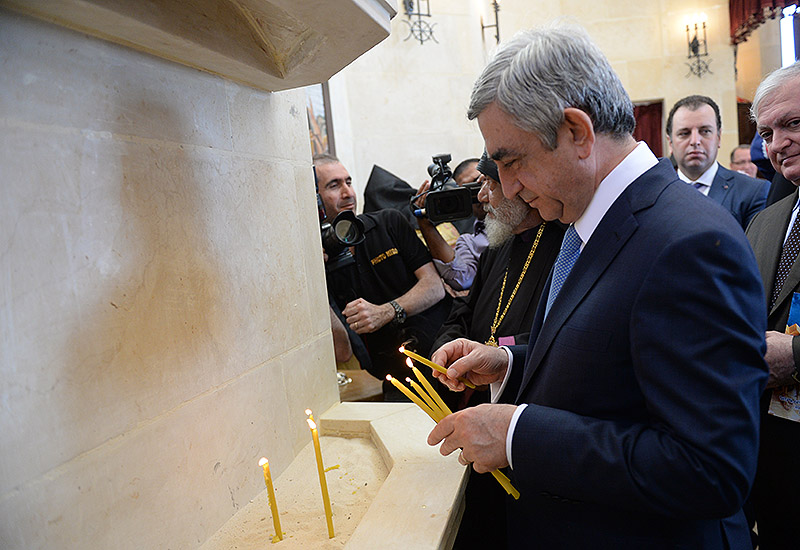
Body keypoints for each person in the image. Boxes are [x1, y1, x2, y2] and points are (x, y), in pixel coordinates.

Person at [426, 25, 767, 549]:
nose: (506, 187)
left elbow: (710, 469)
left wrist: (517, 435)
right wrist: (512, 363)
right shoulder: (584, 223)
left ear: (577, 132)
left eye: (512, 161)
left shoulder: (688, 242)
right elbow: (617, 361)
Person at [435, 152, 564, 550]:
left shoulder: (565, 246)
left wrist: (496, 353)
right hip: (471, 413)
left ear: (520, 189)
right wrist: (447, 347)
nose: (482, 197)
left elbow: (555, 340)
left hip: (519, 425)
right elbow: (462, 312)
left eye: (490, 185)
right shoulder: (498, 243)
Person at [314, 153, 450, 399]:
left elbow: (434, 286)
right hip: (393, 382)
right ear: (315, 200)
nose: (348, 193)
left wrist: (387, 311)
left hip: (441, 360)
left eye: (348, 182)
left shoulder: (389, 222)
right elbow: (342, 351)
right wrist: (314, 277)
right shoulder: (317, 259)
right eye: (334, 185)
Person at [744, 60, 800, 550]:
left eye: (793, 123)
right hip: (774, 462)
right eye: (767, 133)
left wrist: (795, 356)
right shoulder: (765, 222)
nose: (778, 143)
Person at [667, 95, 769, 229]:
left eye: (705, 131)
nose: (695, 141)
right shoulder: (657, 194)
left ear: (719, 138)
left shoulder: (753, 191)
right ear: (670, 143)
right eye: (684, 133)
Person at [415, 157, 488, 291]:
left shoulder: (521, 209)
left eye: (480, 182)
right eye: (467, 191)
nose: (480, 194)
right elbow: (462, 279)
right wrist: (425, 223)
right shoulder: (469, 243)